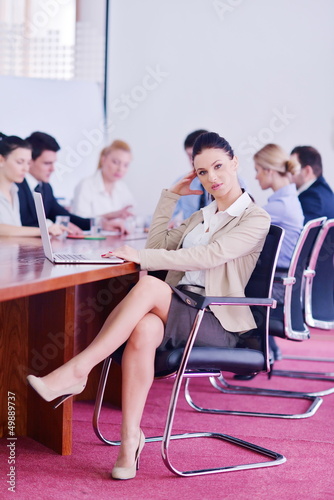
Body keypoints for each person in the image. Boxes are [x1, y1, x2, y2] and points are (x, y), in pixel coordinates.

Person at [27, 132, 270, 480]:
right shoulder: (202, 215)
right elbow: (158, 244)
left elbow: (206, 256)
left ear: (235, 163)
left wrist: (140, 256)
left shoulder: (254, 217)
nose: (212, 178)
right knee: (142, 328)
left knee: (150, 285)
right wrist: (170, 196)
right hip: (182, 308)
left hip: (216, 319)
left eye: (218, 166)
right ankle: (130, 441)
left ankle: (78, 370)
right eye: (202, 172)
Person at [252, 143, 304, 364]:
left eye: (257, 170)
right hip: (282, 281)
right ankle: (267, 348)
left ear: (269, 171)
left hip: (278, 285)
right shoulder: (287, 201)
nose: (255, 177)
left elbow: (241, 225)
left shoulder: (280, 207)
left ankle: (256, 352)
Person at [17, 132, 126, 234]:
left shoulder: (45, 187)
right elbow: (20, 224)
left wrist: (100, 224)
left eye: (53, 163)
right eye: (47, 163)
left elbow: (64, 216)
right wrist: (51, 225)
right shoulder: (15, 185)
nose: (53, 169)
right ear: (29, 161)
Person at [0, 133, 64, 237]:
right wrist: (43, 230)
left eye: (28, 163)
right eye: (20, 162)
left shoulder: (14, 190)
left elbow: (16, 229)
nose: (26, 169)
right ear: (1, 160)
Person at [72, 140, 135, 224]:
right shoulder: (86, 185)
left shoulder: (122, 187)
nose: (120, 169)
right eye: (115, 162)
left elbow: (132, 217)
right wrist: (110, 216)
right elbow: (79, 221)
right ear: (103, 160)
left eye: (126, 165)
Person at [290, 146, 334, 223]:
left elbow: (298, 233)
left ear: (307, 171)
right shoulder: (324, 191)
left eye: (292, 169)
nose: (288, 174)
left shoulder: (313, 197)